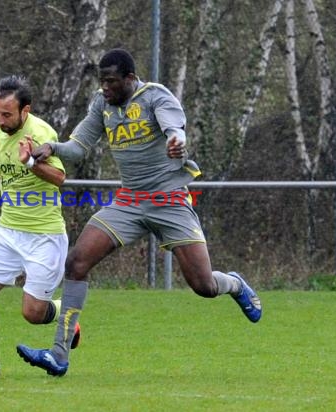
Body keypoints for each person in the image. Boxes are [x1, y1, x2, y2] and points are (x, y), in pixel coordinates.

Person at [16, 48, 262, 377]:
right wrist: (51, 148)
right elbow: (78, 148)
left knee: (203, 285)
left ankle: (233, 284)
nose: (105, 87)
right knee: (76, 263)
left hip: (169, 200)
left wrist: (176, 141)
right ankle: (59, 355)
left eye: (112, 81)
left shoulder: (155, 97)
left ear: (131, 79)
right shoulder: (101, 103)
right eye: (102, 81)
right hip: (129, 201)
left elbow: (176, 130)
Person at [0, 75, 80, 378]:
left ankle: (67, 318)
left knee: (33, 314)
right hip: (7, 231)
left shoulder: (40, 132)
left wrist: (32, 163)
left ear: (25, 110)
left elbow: (60, 178)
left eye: (6, 114)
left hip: (44, 236)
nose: (0, 119)